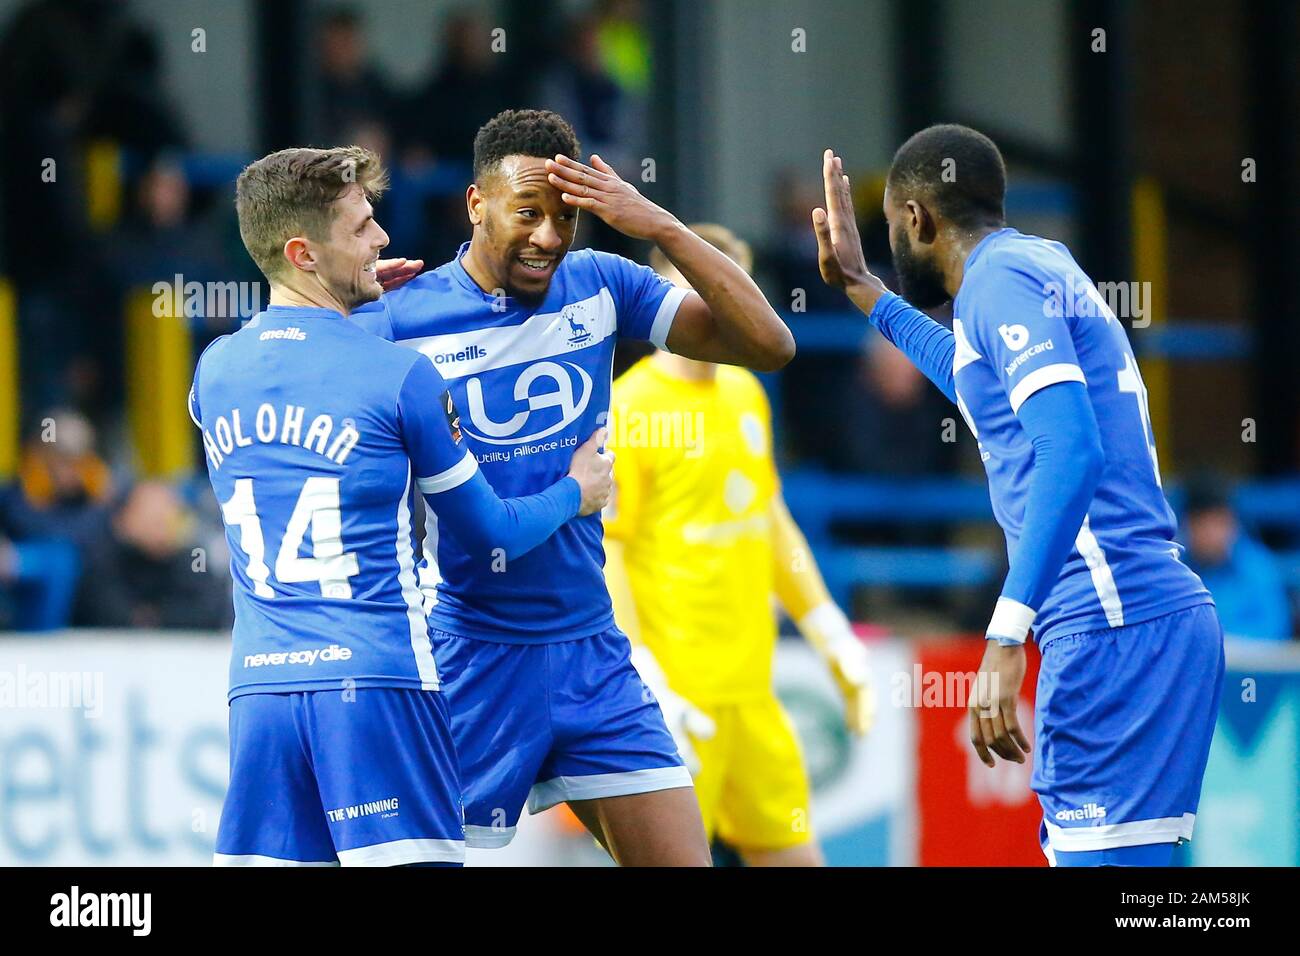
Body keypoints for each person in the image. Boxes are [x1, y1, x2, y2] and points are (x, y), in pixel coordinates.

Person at [352, 109, 794, 866]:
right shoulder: (401, 321)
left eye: (567, 216)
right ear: (475, 204)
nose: (550, 237)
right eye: (528, 213)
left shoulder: (602, 286)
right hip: (469, 654)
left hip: (592, 651)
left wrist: (656, 223)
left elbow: (769, 344)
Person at [811, 125, 1223, 867]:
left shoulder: (1000, 284)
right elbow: (978, 385)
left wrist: (1005, 637)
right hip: (1142, 617)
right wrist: (865, 290)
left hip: (1110, 624)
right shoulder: (1033, 266)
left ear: (917, 219)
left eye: (893, 231)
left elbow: (1072, 453)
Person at [194, 145, 612, 866]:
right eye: (360, 229)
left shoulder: (214, 371)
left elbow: (302, 366)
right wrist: (578, 492)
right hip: (379, 684)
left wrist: (346, 295)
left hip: (259, 693)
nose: (383, 238)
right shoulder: (400, 374)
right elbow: (493, 532)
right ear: (304, 250)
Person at [603, 223, 874, 867]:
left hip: (755, 695)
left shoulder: (747, 392)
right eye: (706, 288)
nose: (724, 305)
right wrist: (642, 675)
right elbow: (608, 550)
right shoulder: (628, 407)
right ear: (663, 296)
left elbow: (768, 517)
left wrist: (828, 628)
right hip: (676, 703)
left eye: (737, 289)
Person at [73, 480, 231, 630]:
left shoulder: (195, 556)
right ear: (124, 518)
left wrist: (157, 617)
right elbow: (102, 611)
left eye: (167, 517)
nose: (161, 527)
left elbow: (211, 610)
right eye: (152, 518)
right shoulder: (101, 556)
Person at [1181, 475, 1292, 641]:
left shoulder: (1259, 568)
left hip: (1251, 665)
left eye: (1218, 523)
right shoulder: (1177, 571)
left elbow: (1276, 629)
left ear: (1232, 522)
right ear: (1187, 525)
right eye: (1202, 524)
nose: (1210, 534)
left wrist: (1217, 642)